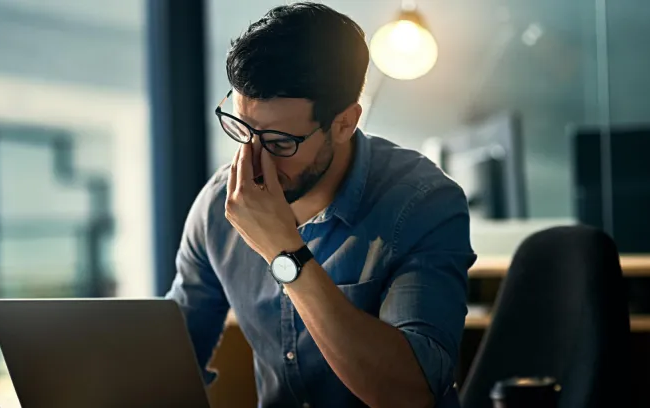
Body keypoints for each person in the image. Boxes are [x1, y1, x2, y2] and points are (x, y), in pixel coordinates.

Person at [166, 3, 476, 407]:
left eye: (280, 143)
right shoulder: (218, 207)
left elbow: (411, 393)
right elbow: (173, 358)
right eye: (240, 129)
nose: (253, 161)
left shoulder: (422, 203)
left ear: (345, 123)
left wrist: (283, 251)